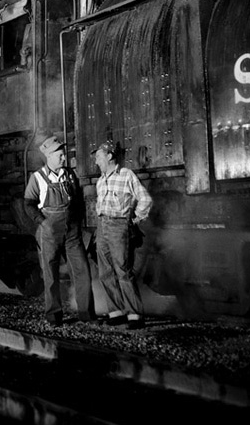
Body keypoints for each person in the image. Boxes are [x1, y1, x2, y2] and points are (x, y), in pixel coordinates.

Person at [23, 135, 95, 326]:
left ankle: (86, 313)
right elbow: (28, 205)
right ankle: (54, 315)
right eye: (61, 155)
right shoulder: (37, 178)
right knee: (51, 275)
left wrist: (78, 223)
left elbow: (78, 201)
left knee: (82, 271)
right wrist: (42, 222)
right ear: (49, 156)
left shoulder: (70, 175)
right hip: (49, 233)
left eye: (64, 155)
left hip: (71, 232)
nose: (64, 158)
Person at [92, 140, 153, 329]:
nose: (96, 162)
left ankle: (135, 314)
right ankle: (116, 312)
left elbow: (145, 199)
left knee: (123, 270)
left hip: (119, 226)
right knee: (105, 271)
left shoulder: (126, 175)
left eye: (99, 157)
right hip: (102, 226)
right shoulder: (101, 180)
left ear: (110, 156)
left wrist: (134, 220)